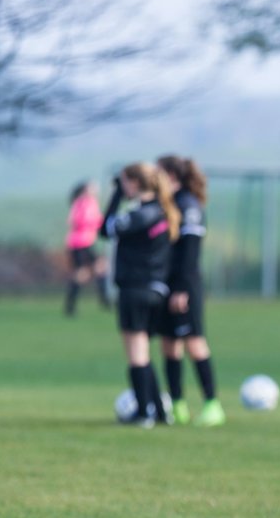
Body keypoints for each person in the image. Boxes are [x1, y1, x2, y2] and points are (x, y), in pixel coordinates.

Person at [99, 162, 178, 428]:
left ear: (134, 183)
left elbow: (105, 229)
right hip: (157, 290)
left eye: (125, 182)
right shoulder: (164, 211)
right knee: (144, 353)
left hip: (135, 290)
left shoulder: (141, 214)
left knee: (136, 356)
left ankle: (144, 413)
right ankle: (160, 411)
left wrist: (116, 196)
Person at [156, 155, 224, 427]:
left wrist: (182, 289)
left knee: (194, 342)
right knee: (169, 345)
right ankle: (178, 404)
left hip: (185, 286)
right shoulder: (168, 204)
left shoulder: (188, 205)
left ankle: (212, 404)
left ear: (172, 175)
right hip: (167, 284)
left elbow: (190, 252)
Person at [63, 180, 110, 315]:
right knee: (82, 273)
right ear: (85, 190)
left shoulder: (90, 202)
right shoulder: (82, 202)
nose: (96, 190)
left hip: (87, 242)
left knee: (100, 268)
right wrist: (97, 223)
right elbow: (75, 221)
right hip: (79, 243)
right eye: (93, 188)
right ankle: (70, 306)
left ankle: (104, 301)